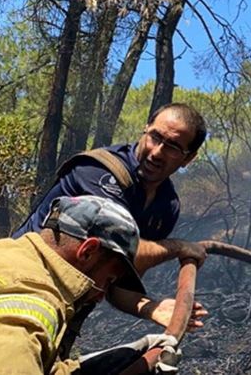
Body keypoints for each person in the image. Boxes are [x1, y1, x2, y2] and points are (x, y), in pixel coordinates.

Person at [12, 102, 208, 358]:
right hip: (21, 290)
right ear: (145, 129)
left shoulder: (166, 206)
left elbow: (116, 278)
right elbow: (112, 250)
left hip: (66, 317)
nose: (157, 152)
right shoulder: (100, 172)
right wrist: (178, 247)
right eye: (155, 137)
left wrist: (152, 308)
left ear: (188, 158)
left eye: (172, 146)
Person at [0, 195, 177, 374]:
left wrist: (93, 367)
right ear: (87, 252)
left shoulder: (8, 254)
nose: (100, 297)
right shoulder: (31, 312)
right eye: (109, 280)